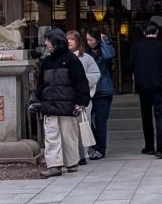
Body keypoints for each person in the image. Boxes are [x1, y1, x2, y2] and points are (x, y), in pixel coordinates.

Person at [29, 28, 90, 178]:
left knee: (69, 136)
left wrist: (82, 102)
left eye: (48, 41)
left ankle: (71, 162)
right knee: (51, 136)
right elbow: (41, 84)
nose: (46, 44)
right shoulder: (47, 62)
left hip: (68, 105)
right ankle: (54, 165)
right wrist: (38, 99)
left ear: (55, 42)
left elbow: (81, 83)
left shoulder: (72, 60)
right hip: (51, 105)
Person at [127, 20, 162, 158]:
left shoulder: (136, 47)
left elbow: (130, 66)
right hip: (160, 85)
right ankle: (161, 149)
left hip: (143, 86)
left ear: (144, 32)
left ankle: (149, 146)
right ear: (157, 32)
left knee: (146, 116)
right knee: (161, 117)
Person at [66, 29, 99, 166]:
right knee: (69, 128)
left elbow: (96, 74)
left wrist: (82, 77)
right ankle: (71, 154)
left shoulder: (86, 58)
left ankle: (83, 154)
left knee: (83, 126)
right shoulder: (63, 57)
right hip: (67, 98)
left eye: (72, 38)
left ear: (78, 41)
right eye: (67, 38)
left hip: (82, 98)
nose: (69, 41)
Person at [84, 29, 115, 160]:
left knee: (101, 122)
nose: (89, 42)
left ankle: (101, 149)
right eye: (87, 40)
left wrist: (104, 41)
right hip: (89, 91)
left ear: (97, 40)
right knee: (86, 120)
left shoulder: (104, 50)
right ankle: (95, 143)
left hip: (103, 90)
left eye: (91, 40)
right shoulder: (85, 53)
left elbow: (109, 55)